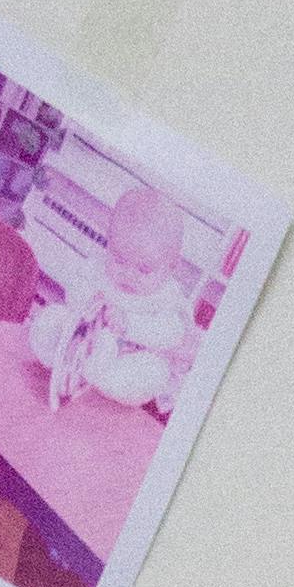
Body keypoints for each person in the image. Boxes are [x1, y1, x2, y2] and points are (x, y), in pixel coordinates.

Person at [26, 178, 201, 417]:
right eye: (119, 259)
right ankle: (58, 357)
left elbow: (171, 333)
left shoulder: (168, 297)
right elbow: (74, 288)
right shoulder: (99, 268)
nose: (128, 274)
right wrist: (88, 300)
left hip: (126, 359)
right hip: (82, 343)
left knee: (155, 372)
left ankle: (97, 372)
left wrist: (130, 324)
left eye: (143, 270)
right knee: (51, 317)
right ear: (109, 245)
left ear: (171, 267)